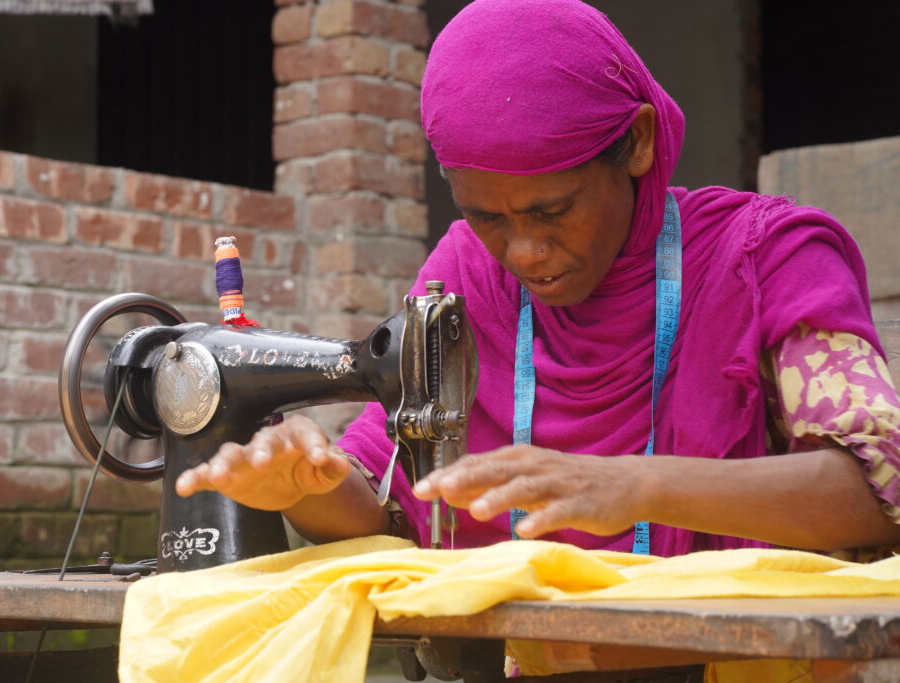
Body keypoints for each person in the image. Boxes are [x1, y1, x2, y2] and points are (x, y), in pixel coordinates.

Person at [176, 0, 900, 558]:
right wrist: (305, 489)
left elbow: (876, 488)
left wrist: (634, 485)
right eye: (486, 216)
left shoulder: (769, 260)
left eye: (552, 209)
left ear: (639, 142)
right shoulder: (463, 278)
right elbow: (384, 503)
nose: (521, 251)